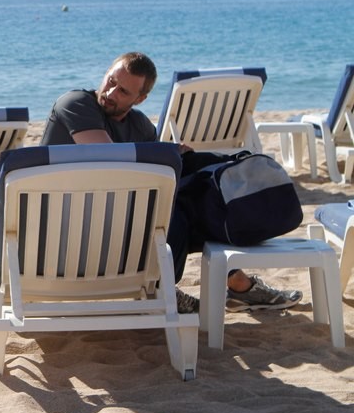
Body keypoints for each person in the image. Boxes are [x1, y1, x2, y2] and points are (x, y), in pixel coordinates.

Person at [41, 52, 301, 315]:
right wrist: (165, 154)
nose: (110, 92)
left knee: (197, 195)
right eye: (110, 81)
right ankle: (181, 288)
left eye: (123, 91)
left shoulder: (140, 127)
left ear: (140, 99)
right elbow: (109, 161)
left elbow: (149, 177)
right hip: (66, 233)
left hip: (112, 228)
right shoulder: (77, 103)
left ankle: (234, 284)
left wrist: (176, 157)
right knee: (178, 205)